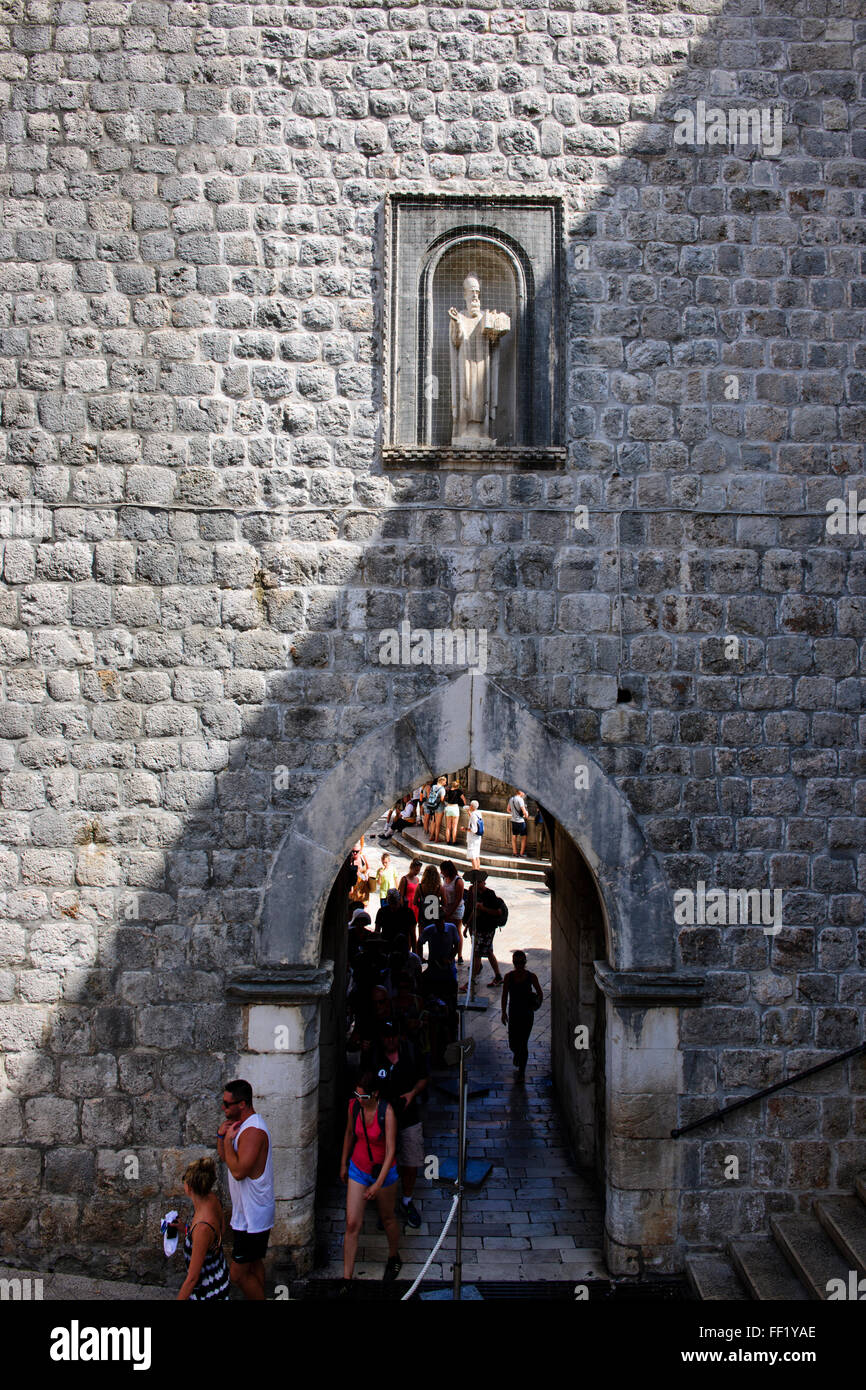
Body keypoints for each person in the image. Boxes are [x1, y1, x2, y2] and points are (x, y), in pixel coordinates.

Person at [339, 1069, 401, 1288]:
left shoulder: (388, 1112)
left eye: (363, 1097)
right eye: (357, 1095)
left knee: (387, 1218)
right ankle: (347, 1278)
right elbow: (349, 1133)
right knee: (352, 1222)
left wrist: (377, 1184)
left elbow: (391, 1150)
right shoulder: (354, 1106)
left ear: (375, 1094)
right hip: (359, 1167)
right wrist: (343, 1163)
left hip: (382, 1171)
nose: (359, 1100)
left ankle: (394, 1256)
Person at [216, 1079, 275, 1301]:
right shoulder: (240, 1128)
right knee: (254, 1263)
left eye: (227, 1104)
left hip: (254, 1215)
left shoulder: (253, 1131)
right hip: (247, 1213)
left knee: (238, 1274)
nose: (224, 1108)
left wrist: (230, 1141)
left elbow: (239, 1172)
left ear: (242, 1104)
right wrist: (222, 1137)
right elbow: (227, 1160)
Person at [372, 1021, 428, 1230]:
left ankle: (406, 1200)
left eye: (393, 1036)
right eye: (386, 1037)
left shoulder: (411, 1053)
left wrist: (411, 1095)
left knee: (411, 1160)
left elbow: (423, 1078)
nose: (390, 1040)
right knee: (384, 1162)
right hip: (383, 1121)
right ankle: (386, 1205)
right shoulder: (375, 1057)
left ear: (399, 1036)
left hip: (409, 1117)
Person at [173, 1157, 231, 1301]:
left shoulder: (201, 1229)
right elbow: (220, 1231)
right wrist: (185, 1230)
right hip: (220, 1274)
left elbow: (192, 1279)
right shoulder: (212, 1199)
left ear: (190, 1187)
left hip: (209, 1291)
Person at [501, 951, 543, 1081]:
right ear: (514, 963)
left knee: (523, 1043)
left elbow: (540, 993)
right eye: (516, 963)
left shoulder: (531, 977)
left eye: (521, 962)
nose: (519, 965)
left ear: (525, 963)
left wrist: (536, 1005)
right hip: (514, 1014)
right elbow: (504, 995)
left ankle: (522, 1072)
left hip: (527, 1015)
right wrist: (503, 1012)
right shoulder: (508, 977)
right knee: (513, 1043)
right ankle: (517, 1054)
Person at [464, 872, 504, 987]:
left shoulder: (490, 894)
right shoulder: (475, 893)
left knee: (477, 954)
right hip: (479, 928)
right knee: (489, 953)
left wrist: (483, 908)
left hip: (487, 929)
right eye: (474, 883)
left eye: (478, 883)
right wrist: (467, 926)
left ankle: (471, 981)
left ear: (483, 882)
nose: (475, 885)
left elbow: (498, 912)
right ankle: (498, 976)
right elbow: (474, 911)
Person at [440, 860, 465, 962]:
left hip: (457, 908)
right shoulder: (445, 879)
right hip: (447, 906)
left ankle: (459, 954)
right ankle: (450, 952)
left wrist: (450, 912)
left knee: (457, 930)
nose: (442, 873)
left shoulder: (458, 881)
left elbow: (458, 899)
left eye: (443, 870)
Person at [398, 858, 422, 945]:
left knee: (413, 929)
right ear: (411, 868)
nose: (417, 872)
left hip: (415, 906)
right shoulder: (404, 879)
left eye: (419, 870)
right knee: (408, 930)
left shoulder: (417, 879)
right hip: (407, 906)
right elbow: (401, 895)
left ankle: (414, 950)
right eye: (416, 870)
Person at [418, 863, 444, 933]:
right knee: (433, 938)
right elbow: (444, 902)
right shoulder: (439, 888)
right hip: (434, 916)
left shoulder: (420, 887)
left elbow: (415, 902)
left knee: (421, 937)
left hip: (423, 915)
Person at [507, 789, 529, 858]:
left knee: (514, 836)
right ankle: (521, 853)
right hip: (520, 821)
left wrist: (513, 814)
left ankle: (515, 852)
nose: (524, 794)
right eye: (523, 792)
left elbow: (508, 809)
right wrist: (526, 815)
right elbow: (524, 812)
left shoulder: (511, 799)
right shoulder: (520, 800)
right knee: (524, 837)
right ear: (520, 792)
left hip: (513, 820)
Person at [443, 780, 465, 845]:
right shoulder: (459, 791)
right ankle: (454, 841)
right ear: (457, 786)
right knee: (454, 827)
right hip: (455, 808)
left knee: (448, 826)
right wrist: (465, 805)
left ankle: (447, 841)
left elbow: (445, 798)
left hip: (448, 807)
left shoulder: (448, 791)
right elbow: (463, 799)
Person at [427, 775, 448, 843]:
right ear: (442, 782)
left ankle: (431, 837)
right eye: (445, 782)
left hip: (433, 806)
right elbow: (442, 799)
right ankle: (436, 839)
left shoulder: (433, 786)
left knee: (434, 821)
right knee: (438, 823)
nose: (445, 783)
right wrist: (446, 801)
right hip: (439, 807)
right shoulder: (442, 789)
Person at [466, 799, 483, 871]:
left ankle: (475, 872)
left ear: (472, 806)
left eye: (470, 805)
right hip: (478, 838)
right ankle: (478, 871)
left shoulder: (473, 815)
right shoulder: (478, 813)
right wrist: (469, 813)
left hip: (473, 838)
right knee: (477, 856)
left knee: (473, 857)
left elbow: (474, 829)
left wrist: (465, 829)